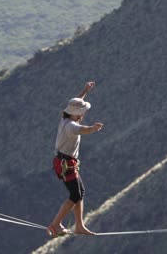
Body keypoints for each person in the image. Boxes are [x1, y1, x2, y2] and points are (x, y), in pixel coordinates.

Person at [47, 81, 103, 237]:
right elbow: (82, 130)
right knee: (75, 195)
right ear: (74, 113)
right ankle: (55, 224)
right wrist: (92, 128)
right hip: (66, 164)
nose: (83, 114)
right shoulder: (71, 126)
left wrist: (85, 91)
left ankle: (79, 225)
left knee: (80, 192)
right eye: (82, 112)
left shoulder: (65, 119)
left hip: (66, 163)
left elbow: (76, 102)